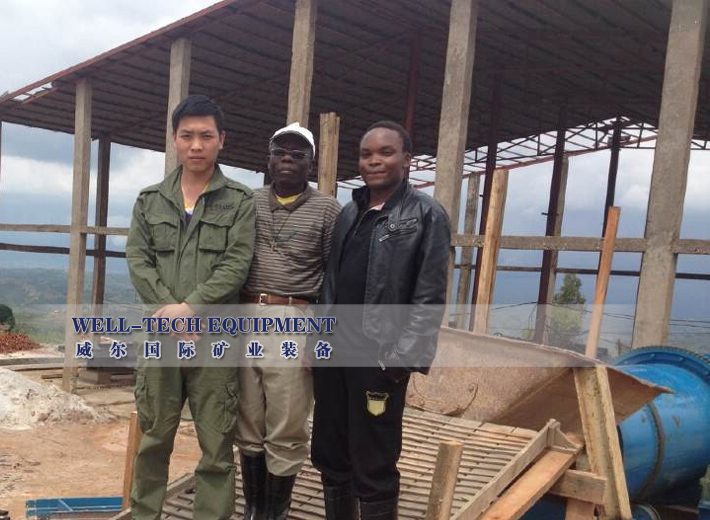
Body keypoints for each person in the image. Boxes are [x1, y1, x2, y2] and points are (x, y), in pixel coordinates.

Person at [311, 121, 451, 519]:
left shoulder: (426, 214)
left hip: (379, 356)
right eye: (366, 154)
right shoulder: (349, 212)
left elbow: (429, 294)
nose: (374, 161)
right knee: (330, 449)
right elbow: (331, 283)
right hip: (335, 352)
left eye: (385, 152)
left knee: (374, 455)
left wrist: (403, 357)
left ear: (407, 160)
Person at [126, 94, 255, 520]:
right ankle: (144, 513)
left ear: (222, 140)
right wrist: (170, 310)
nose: (196, 145)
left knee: (216, 444)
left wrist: (191, 308)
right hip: (161, 337)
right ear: (174, 140)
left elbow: (236, 264)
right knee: (154, 438)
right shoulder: (149, 200)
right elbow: (138, 260)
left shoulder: (239, 201)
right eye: (187, 136)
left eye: (206, 135)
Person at [236, 122, 341, 520]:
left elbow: (335, 276)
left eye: (298, 155)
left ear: (310, 163)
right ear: (268, 159)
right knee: (248, 419)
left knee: (286, 422)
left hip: (295, 315)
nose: (287, 160)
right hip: (246, 313)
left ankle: (275, 512)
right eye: (280, 152)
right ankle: (254, 509)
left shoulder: (328, 209)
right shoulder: (248, 201)